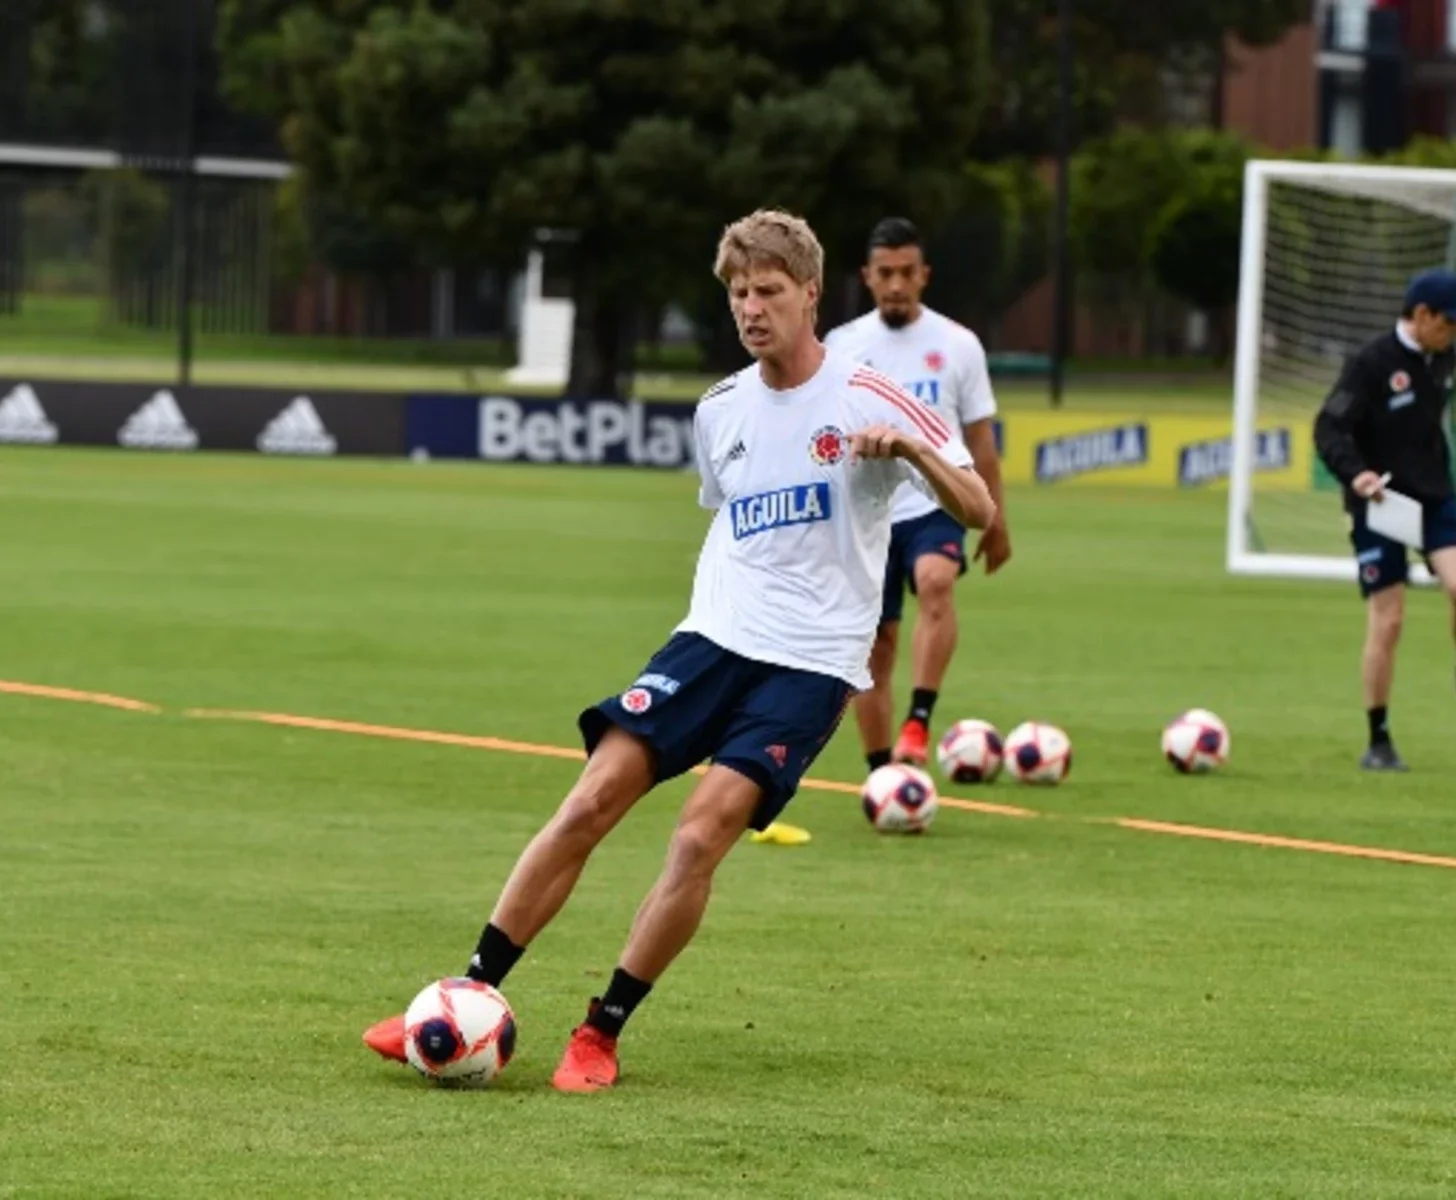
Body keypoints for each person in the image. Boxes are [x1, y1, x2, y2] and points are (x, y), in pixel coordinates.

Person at [361, 209, 994, 1092]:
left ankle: (601, 1030)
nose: (751, 309)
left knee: (698, 839)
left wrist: (915, 456)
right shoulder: (721, 409)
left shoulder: (870, 394)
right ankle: (467, 991)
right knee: (589, 801)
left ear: (811, 294)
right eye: (738, 293)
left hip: (812, 664)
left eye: (768, 291)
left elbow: (978, 508)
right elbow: (734, 522)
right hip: (710, 641)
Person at [824, 217, 1010, 770]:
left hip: (935, 499)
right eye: (885, 273)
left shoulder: (959, 345)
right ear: (867, 276)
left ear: (924, 275)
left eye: (907, 272)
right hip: (868, 513)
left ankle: (919, 721)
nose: (897, 284)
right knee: (876, 645)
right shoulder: (841, 347)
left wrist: (996, 518)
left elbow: (980, 438)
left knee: (935, 581)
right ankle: (883, 774)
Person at [1313, 267, 1456, 772]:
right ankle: (1378, 740)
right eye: (1450, 322)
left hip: (1433, 498)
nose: (1455, 332)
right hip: (1380, 504)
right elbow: (1328, 427)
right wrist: (1357, 476)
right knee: (1390, 618)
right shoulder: (1370, 363)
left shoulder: (1444, 356)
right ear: (1421, 315)